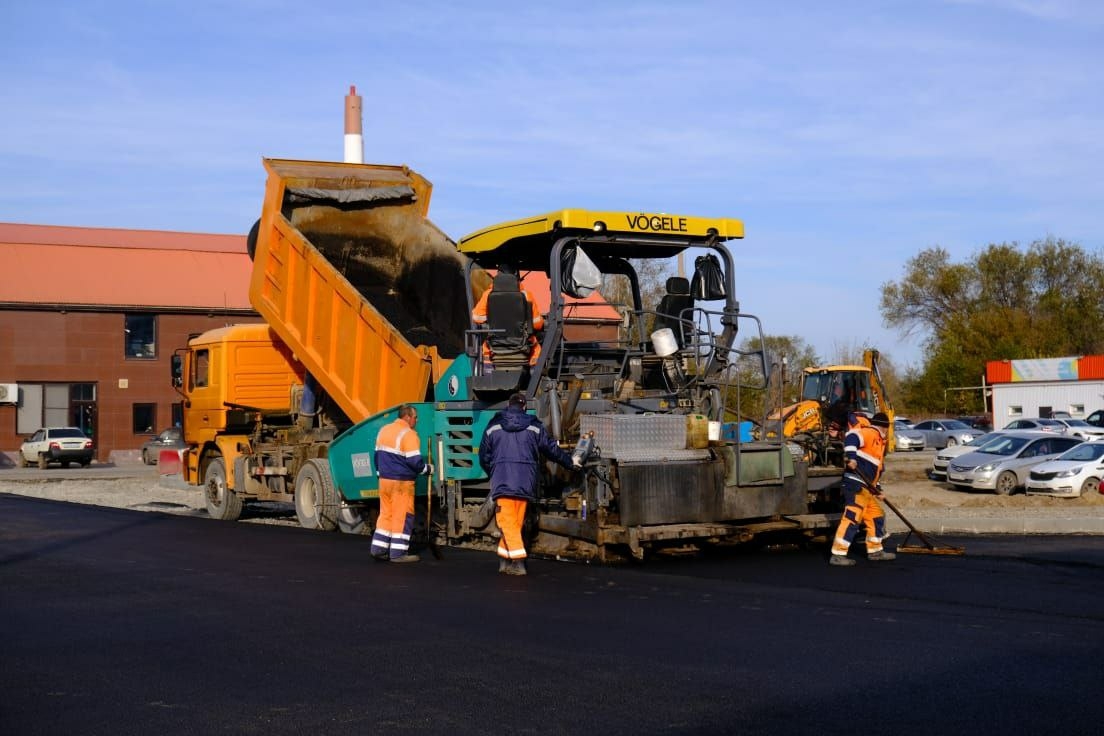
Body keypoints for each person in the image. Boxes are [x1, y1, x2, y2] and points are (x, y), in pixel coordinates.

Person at [478, 392, 580, 575]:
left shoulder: (493, 426)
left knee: (507, 522)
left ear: (508, 405)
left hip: (503, 482)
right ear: (524, 407)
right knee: (514, 523)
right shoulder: (534, 426)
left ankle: (518, 563)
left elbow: (484, 456)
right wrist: (570, 462)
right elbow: (551, 449)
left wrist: (493, 473)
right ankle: (504, 559)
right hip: (525, 482)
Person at [829, 410, 896, 566]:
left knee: (877, 516)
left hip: (867, 487)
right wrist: (851, 458)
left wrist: (878, 490)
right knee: (853, 517)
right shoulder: (870, 433)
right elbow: (852, 436)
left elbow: (874, 472)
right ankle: (838, 554)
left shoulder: (879, 443)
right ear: (884, 428)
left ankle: (875, 551)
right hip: (855, 484)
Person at [371, 405, 432, 563]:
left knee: (386, 514)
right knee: (403, 517)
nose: (417, 420)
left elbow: (376, 456)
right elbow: (415, 462)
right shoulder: (409, 434)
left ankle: (378, 549)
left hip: (384, 480)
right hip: (401, 483)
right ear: (407, 417)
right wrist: (428, 469)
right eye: (415, 417)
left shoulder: (384, 430)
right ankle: (398, 553)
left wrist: (379, 474)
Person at [470, 264, 545, 374]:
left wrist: (492, 317)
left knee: (484, 347)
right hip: (522, 345)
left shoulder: (488, 295)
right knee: (537, 347)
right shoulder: (526, 295)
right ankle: (534, 373)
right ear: (516, 277)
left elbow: (476, 317)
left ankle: (488, 369)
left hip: (494, 345)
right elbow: (537, 323)